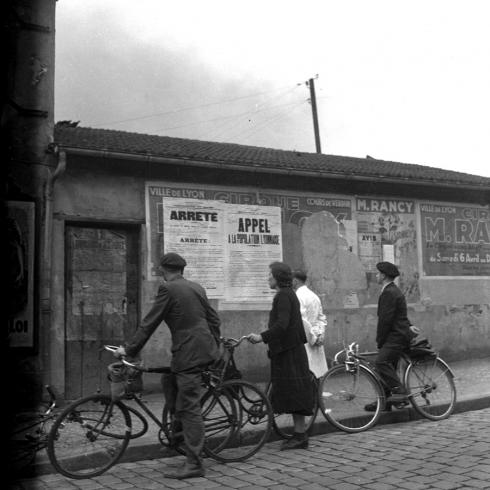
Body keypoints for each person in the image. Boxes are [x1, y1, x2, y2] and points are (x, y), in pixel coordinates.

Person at [113, 252, 221, 479]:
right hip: (196, 349)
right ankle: (178, 435)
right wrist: (215, 345)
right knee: (169, 381)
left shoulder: (168, 289)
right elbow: (214, 319)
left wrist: (130, 349)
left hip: (189, 352)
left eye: (160, 269)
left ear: (163, 269)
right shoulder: (196, 287)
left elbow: (150, 322)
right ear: (181, 270)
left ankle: (194, 463)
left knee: (189, 406)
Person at [248, 261, 315, 450]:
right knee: (294, 392)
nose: (268, 278)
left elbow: (282, 324)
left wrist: (262, 337)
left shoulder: (283, 297)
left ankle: (300, 436)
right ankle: (299, 434)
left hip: (289, 352)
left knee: (294, 393)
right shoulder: (287, 294)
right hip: (290, 350)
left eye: (270, 275)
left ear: (277, 278)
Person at [365, 261, 412, 412]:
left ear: (384, 276)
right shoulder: (392, 290)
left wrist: (380, 339)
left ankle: (400, 392)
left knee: (381, 363)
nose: (376, 276)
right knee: (387, 367)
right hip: (398, 334)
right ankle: (384, 401)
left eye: (378, 273)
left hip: (395, 336)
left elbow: (386, 320)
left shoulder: (389, 293)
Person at [292, 270, 328, 379]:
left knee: (306, 373)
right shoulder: (314, 296)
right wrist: (320, 334)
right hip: (315, 337)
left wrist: (313, 338)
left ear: (295, 281)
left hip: (306, 340)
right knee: (316, 374)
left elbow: (302, 321)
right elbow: (321, 317)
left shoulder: (298, 296)